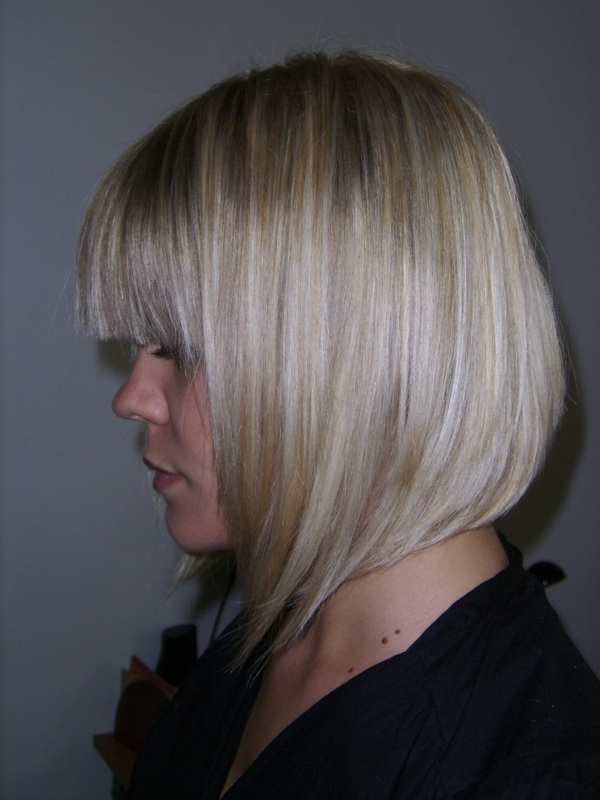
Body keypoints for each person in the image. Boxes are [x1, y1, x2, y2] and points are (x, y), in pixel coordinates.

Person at [77, 51, 600, 798]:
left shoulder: (523, 771)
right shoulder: (272, 636)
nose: (132, 398)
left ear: (353, 353)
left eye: (180, 344)